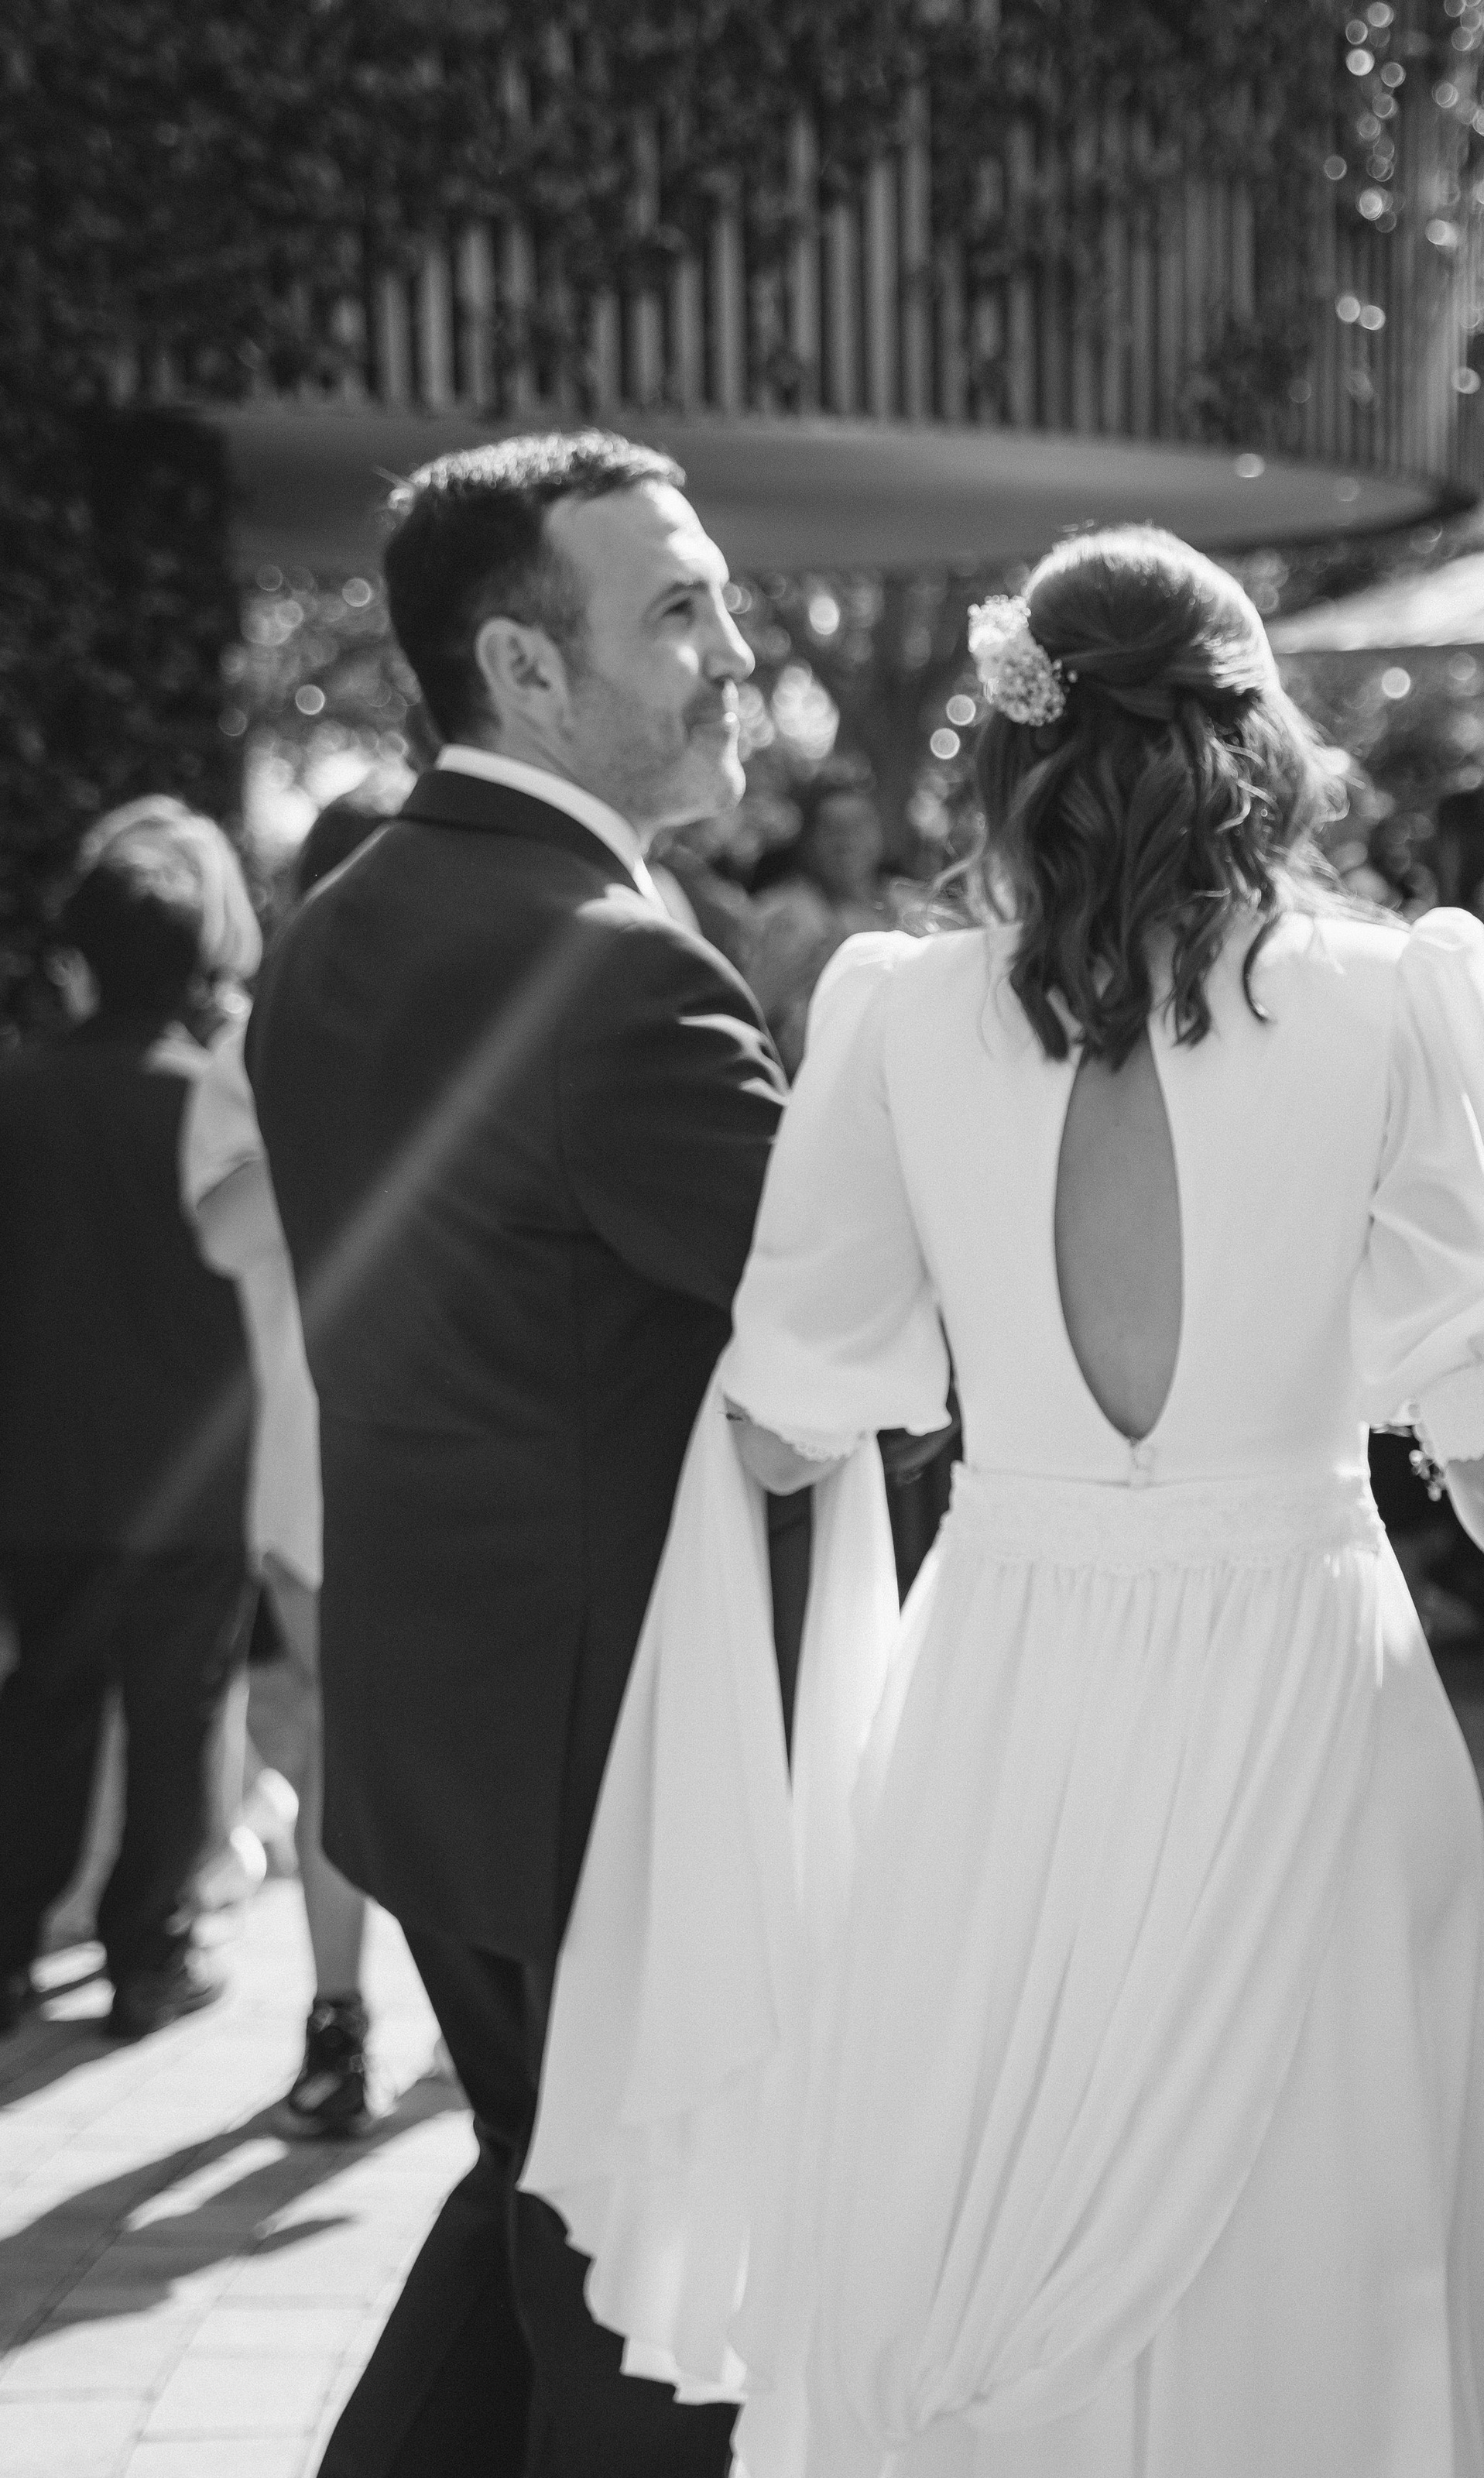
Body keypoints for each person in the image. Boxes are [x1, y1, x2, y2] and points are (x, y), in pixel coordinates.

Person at [527, 526, 1484, 2477]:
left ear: (1012, 745)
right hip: (1304, 1691)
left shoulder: (891, 1013)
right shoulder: (1388, 998)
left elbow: (792, 1411)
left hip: (998, 1706)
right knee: (1314, 2245)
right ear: (1257, 738)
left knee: (978, 2188)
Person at [248, 431, 796, 2478]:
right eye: (677, 611)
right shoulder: (617, 975)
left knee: (538, 2201)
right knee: (657, 2316)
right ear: (525, 671)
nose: (737, 651)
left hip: (440, 1745)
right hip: (607, 1782)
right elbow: (862, 1321)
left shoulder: (339, 928)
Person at [0, 798, 260, 2038]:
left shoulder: (20, 1094)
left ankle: (6, 1946)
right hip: (193, 1474)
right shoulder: (217, 1107)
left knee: (42, 1707)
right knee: (175, 1725)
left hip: (43, 1473)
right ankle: (145, 1954)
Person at [180, 789, 396, 2136]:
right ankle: (337, 2017)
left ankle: (504, 2042)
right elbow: (222, 1224)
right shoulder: (256, 1048)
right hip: (319, 1473)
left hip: (488, 1457)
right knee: (342, 1746)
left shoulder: (501, 1022)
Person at [747, 760, 904, 1068]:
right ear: (808, 840)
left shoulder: (912, 910)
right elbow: (749, 1014)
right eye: (833, 830)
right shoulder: (780, 915)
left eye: (859, 826)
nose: (847, 842)